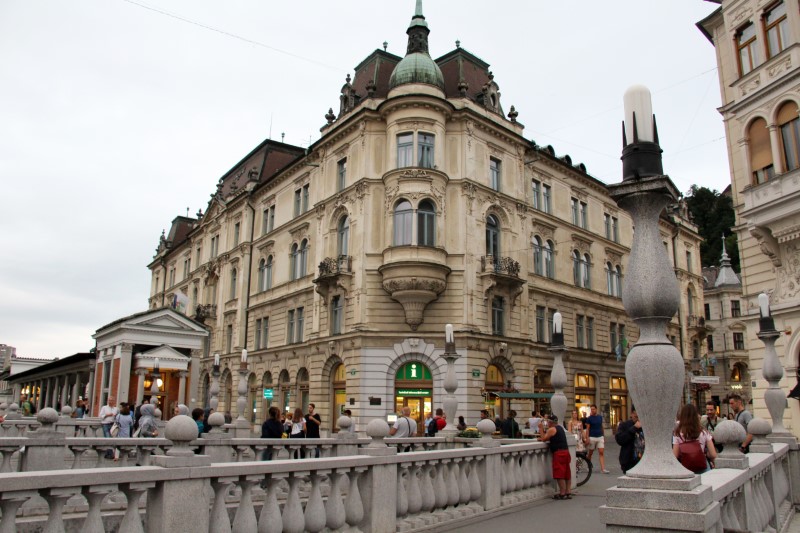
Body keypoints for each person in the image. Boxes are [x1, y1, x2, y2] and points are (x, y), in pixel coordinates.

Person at [673, 403, 717, 473]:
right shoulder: (703, 432)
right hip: (702, 466)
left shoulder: (678, 433)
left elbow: (675, 455)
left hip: (686, 467)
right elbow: (713, 454)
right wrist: (706, 453)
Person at [539, 415, 572, 499]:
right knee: (566, 473)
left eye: (548, 422)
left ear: (550, 422)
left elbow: (543, 438)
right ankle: (568, 492)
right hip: (566, 452)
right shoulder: (560, 428)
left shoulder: (551, 429)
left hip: (559, 453)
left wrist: (540, 428)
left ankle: (562, 493)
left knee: (559, 473)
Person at [615, 408, 644, 474]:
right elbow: (620, 440)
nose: (638, 419)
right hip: (629, 461)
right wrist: (634, 428)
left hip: (644, 461)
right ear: (632, 414)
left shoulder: (646, 426)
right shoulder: (624, 425)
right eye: (636, 416)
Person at [584, 404, 609, 473]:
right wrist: (587, 438)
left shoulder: (600, 417)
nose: (592, 410)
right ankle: (588, 466)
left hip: (600, 436)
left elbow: (601, 426)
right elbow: (587, 429)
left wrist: (603, 436)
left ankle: (603, 469)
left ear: (596, 409)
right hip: (592, 437)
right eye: (591, 409)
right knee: (590, 453)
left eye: (593, 409)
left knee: (601, 452)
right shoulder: (589, 418)